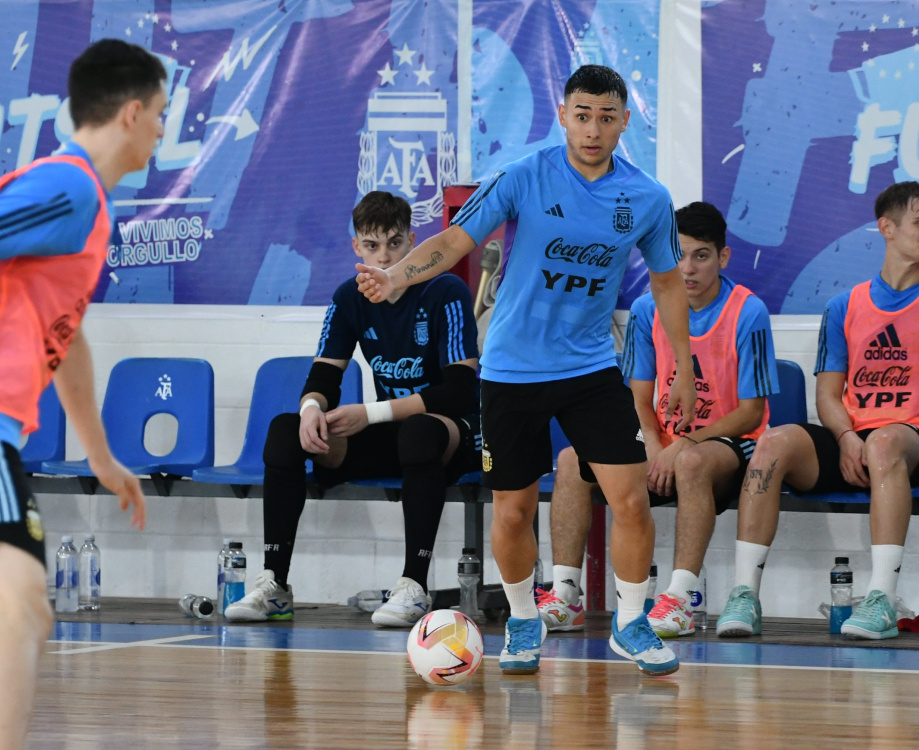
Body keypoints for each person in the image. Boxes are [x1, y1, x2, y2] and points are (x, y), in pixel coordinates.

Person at [357, 65, 696, 676]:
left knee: (631, 499)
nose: (593, 129)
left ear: (624, 121)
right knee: (513, 510)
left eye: (606, 118)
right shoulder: (522, 176)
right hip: (512, 370)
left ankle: (631, 623)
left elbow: (668, 284)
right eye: (582, 115)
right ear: (563, 115)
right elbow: (454, 241)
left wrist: (685, 367)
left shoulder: (647, 198)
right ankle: (521, 620)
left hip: (591, 367)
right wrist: (395, 275)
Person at [0, 39, 160, 750]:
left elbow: (67, 341)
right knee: (21, 608)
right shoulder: (68, 187)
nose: (162, 130)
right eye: (160, 114)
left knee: (24, 609)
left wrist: (101, 456)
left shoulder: (88, 208)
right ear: (131, 113)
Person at [716, 181, 919, 640]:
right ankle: (744, 594)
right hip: (855, 440)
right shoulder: (844, 305)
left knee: (884, 441)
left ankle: (881, 598)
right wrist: (846, 438)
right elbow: (828, 394)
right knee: (773, 442)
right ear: (887, 228)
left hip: (917, 442)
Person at [225, 190, 481, 627]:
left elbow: (459, 391)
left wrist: (371, 413)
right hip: (396, 436)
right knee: (286, 430)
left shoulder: (446, 290)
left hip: (452, 436)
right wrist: (311, 408)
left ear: (413, 242)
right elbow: (324, 376)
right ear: (356, 248)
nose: (384, 257)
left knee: (419, 431)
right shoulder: (349, 297)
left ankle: (413, 587)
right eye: (372, 245)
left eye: (395, 244)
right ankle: (275, 585)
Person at [537, 202, 779, 639]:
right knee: (572, 459)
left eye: (701, 256)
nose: (688, 268)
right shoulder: (648, 309)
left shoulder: (748, 311)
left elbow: (751, 412)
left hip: (729, 445)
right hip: (661, 445)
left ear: (723, 257)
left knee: (691, 463)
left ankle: (680, 599)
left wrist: (684, 444)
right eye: (678, 255)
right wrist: (650, 441)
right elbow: (639, 396)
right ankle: (566, 595)